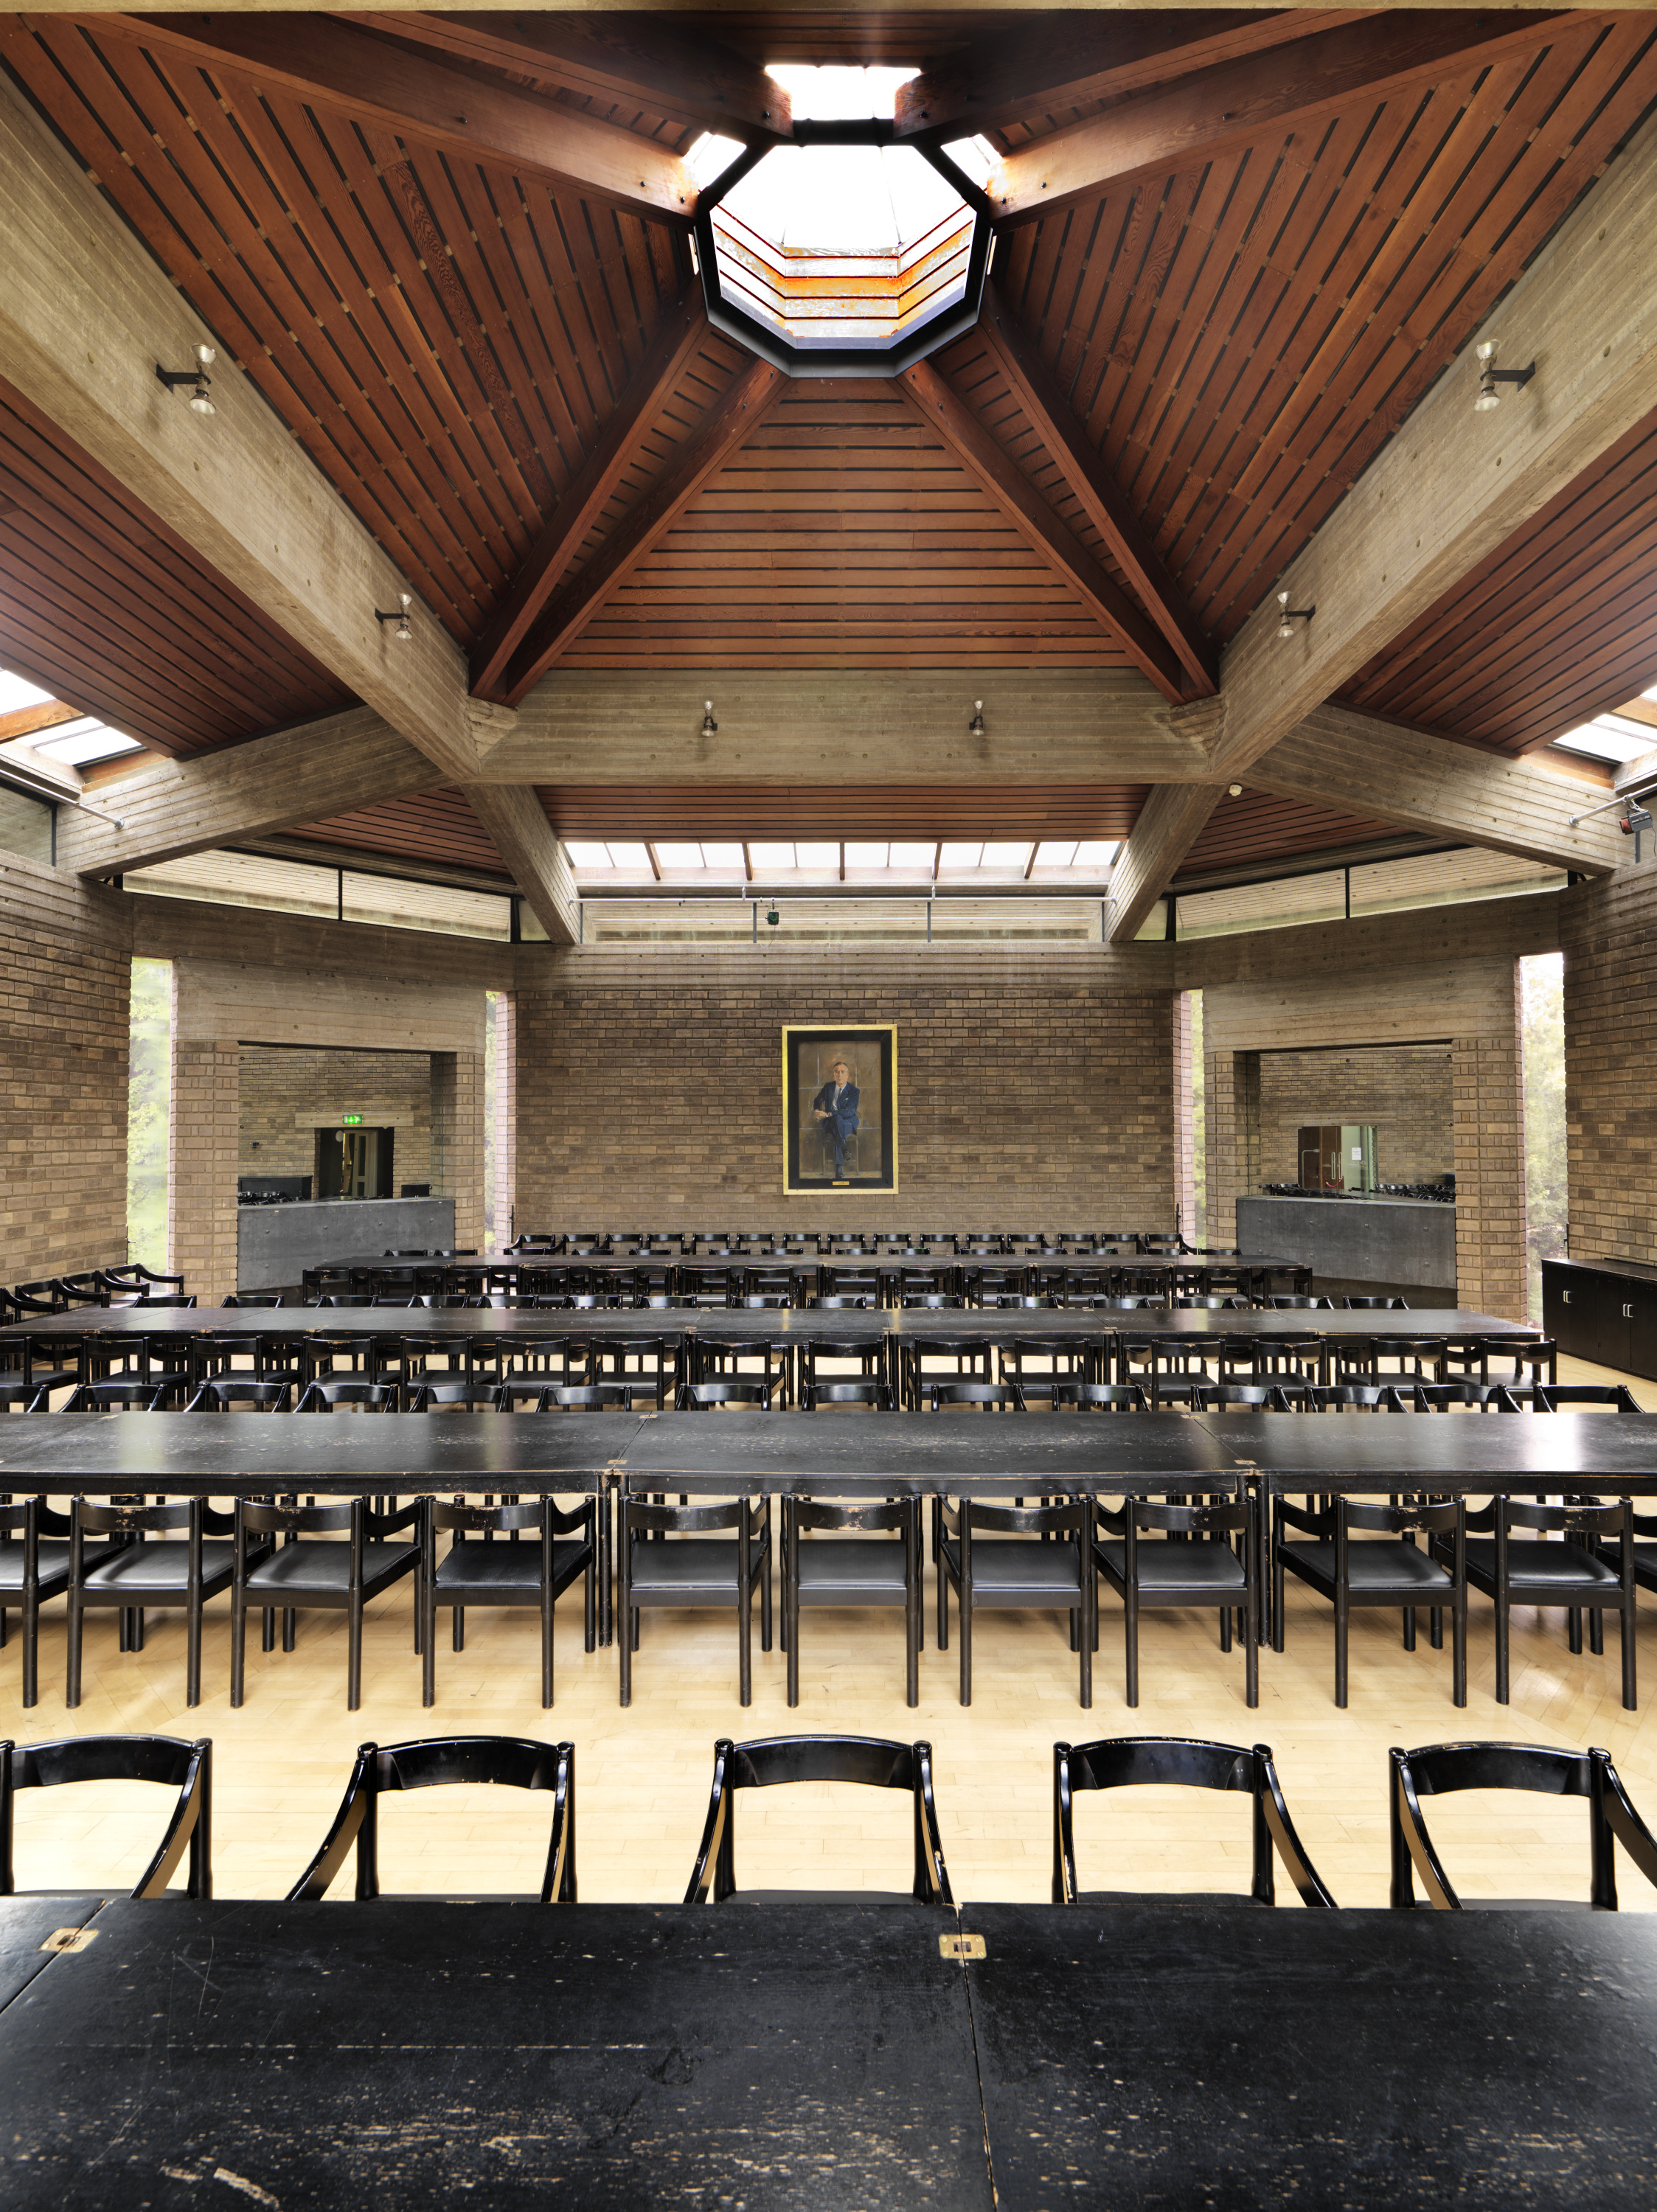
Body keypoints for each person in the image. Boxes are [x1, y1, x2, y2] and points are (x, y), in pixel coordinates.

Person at [810, 1056, 860, 1178]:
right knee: (837, 1121)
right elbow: (817, 1100)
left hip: (848, 1123)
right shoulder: (828, 1087)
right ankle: (844, 1152)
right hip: (830, 1123)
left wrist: (827, 1114)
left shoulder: (854, 1091)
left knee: (839, 1122)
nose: (840, 1075)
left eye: (843, 1072)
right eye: (837, 1072)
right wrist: (817, 1111)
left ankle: (839, 1168)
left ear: (847, 1075)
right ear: (833, 1074)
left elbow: (849, 1111)